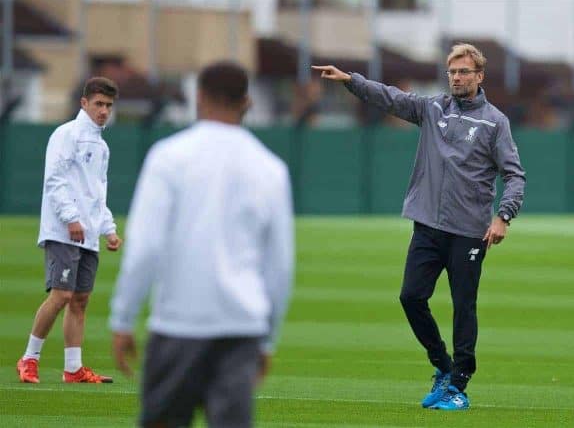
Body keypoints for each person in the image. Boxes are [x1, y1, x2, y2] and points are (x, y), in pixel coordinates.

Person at [313, 43, 526, 410]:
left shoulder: (495, 122)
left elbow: (515, 176)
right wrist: (351, 80)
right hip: (427, 224)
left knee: (464, 307)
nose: (457, 78)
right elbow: (391, 98)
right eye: (452, 72)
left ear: (479, 76)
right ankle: (442, 366)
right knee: (411, 297)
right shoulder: (433, 109)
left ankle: (459, 385)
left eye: (464, 72)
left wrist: (503, 216)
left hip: (468, 231)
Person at [109, 62, 294, 428]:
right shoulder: (270, 168)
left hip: (178, 324)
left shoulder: (168, 156)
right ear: (247, 102)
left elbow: (145, 246)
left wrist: (123, 317)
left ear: (199, 96)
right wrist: (267, 341)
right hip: (240, 328)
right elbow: (280, 266)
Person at [17, 77, 122, 384]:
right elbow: (55, 180)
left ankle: (73, 369)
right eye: (99, 104)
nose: (104, 111)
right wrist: (71, 218)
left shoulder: (102, 147)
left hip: (87, 234)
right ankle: (29, 358)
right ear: (84, 103)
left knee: (80, 300)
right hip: (64, 230)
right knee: (62, 293)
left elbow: (97, 193)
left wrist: (108, 229)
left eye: (109, 106)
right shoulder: (66, 135)